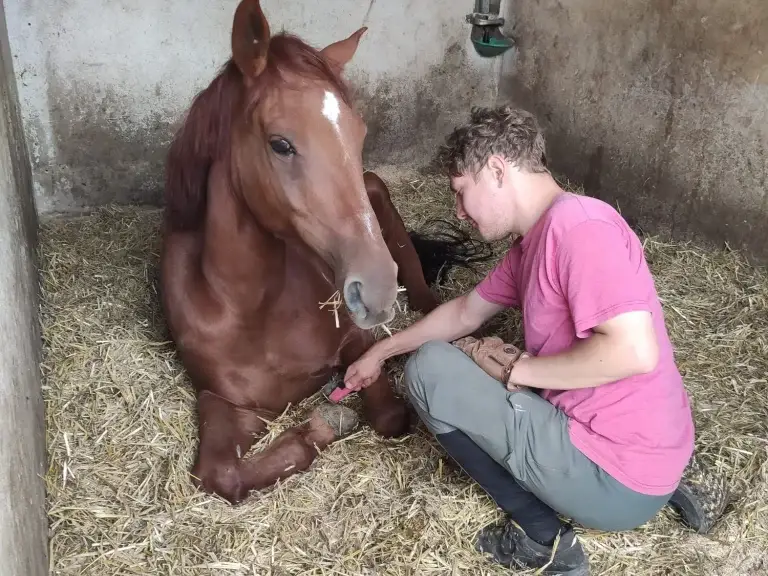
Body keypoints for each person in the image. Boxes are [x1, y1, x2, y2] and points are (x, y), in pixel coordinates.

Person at [343, 105, 727, 575]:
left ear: (497, 170)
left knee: (428, 371)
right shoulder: (537, 242)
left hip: (615, 478)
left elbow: (633, 351)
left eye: (461, 193)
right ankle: (668, 483)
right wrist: (380, 351)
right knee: (441, 356)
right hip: (646, 457)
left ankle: (541, 539)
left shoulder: (579, 230)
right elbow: (465, 312)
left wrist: (514, 369)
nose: (458, 213)